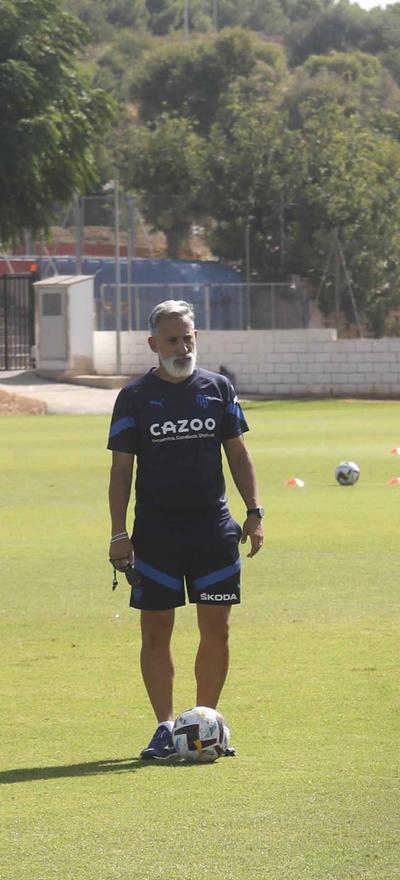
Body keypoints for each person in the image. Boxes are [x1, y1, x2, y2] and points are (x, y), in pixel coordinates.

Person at [107, 300, 263, 759]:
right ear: (154, 344)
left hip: (214, 533)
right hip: (155, 535)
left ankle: (205, 724)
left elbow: (238, 454)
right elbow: (121, 472)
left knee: (218, 631)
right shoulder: (134, 398)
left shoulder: (218, 388)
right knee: (156, 633)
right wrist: (119, 533)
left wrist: (254, 511)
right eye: (172, 340)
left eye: (188, 337)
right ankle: (163, 726)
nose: (182, 346)